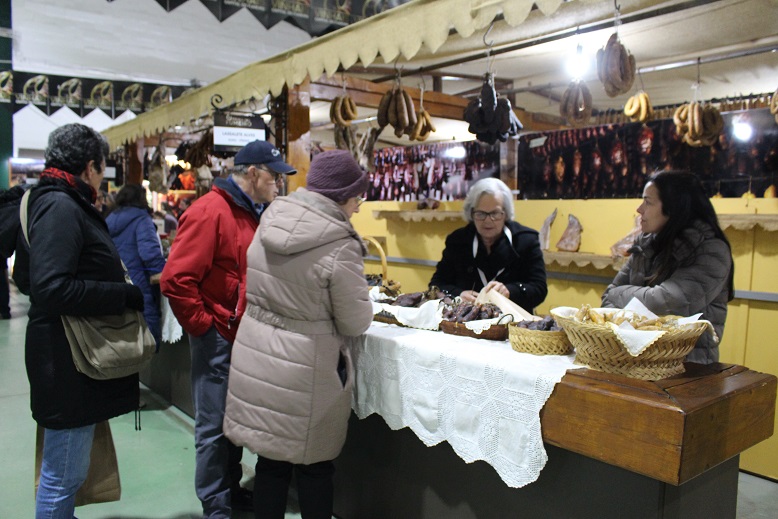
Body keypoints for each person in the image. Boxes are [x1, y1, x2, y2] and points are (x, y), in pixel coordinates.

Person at [223, 149, 374, 519]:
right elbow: (355, 322)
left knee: (271, 465)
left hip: (258, 357)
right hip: (307, 371)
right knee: (315, 467)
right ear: (343, 196)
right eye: (357, 198)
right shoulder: (341, 244)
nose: (357, 207)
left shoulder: (271, 218)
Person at [12, 123, 144, 517]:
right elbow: (51, 287)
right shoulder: (62, 207)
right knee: (61, 476)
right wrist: (122, 294)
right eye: (102, 169)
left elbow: (26, 277)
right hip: (67, 360)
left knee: (65, 471)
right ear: (90, 167)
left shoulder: (47, 201)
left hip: (66, 355)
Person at [160, 139, 296, 518]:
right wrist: (206, 327)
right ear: (252, 174)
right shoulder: (210, 212)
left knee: (233, 424)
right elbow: (177, 279)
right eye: (275, 175)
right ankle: (216, 507)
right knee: (213, 429)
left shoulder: (253, 211)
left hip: (244, 337)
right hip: (220, 337)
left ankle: (231, 493)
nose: (279, 184)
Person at [601, 170, 734, 364]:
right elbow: (606, 300)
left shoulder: (712, 251)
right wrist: (618, 296)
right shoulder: (645, 244)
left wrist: (619, 295)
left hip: (688, 369)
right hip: (635, 361)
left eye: (648, 202)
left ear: (673, 207)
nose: (639, 209)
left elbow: (668, 301)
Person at [429, 177, 548, 311]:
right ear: (471, 213)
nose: (488, 221)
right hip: (464, 319)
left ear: (506, 213)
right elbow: (436, 285)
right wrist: (458, 294)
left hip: (512, 322)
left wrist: (510, 291)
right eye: (480, 214)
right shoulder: (458, 241)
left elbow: (539, 289)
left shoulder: (525, 241)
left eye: (495, 213)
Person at [106, 184, 167, 347]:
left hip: (114, 281)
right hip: (139, 283)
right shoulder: (142, 219)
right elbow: (149, 253)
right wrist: (164, 272)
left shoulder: (109, 218)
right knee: (145, 340)